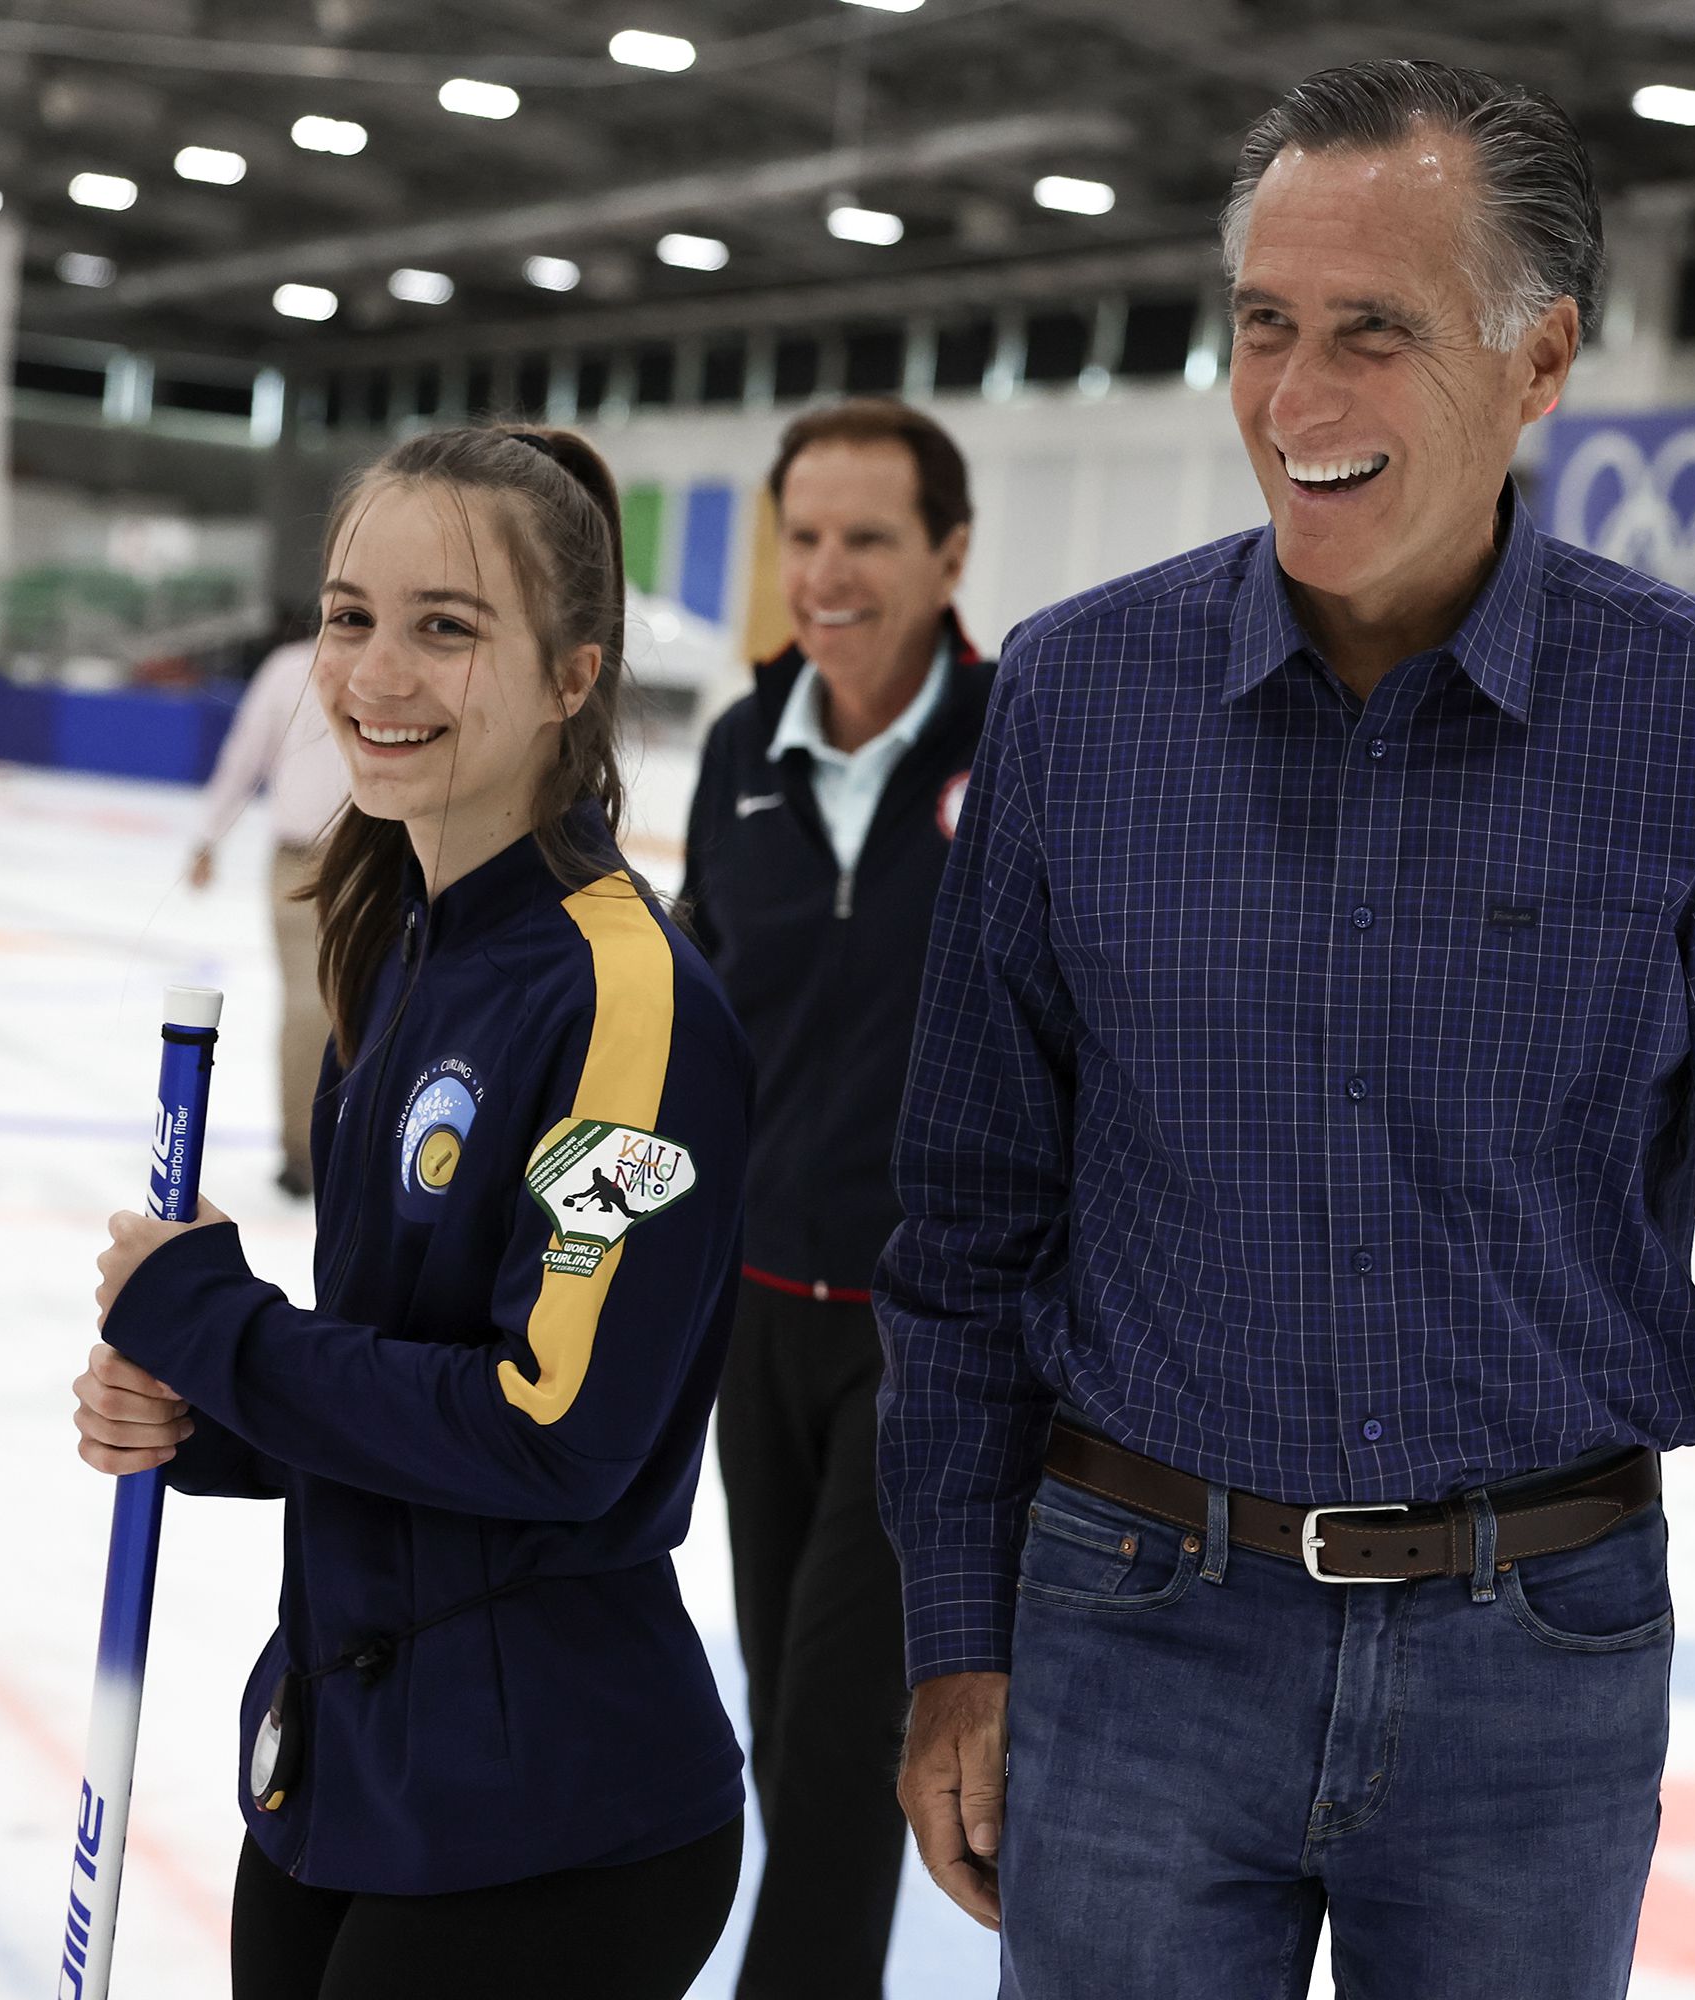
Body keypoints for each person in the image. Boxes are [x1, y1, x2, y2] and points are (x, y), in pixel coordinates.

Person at [877, 61, 1695, 2000]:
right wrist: (958, 1629)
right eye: (1265, 328)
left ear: (1538, 360)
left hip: (1532, 1679)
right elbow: (966, 1228)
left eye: (1372, 337)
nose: (1295, 406)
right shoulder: (1076, 702)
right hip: (1132, 1632)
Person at [70, 424, 754, 2000]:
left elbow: (547, 1425)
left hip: (548, 1817)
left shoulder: (628, 1002)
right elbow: (393, 1367)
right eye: (349, 614)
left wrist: (222, 1329)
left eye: (448, 627)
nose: (377, 670)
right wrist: (204, 1410)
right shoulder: (396, 954)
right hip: (346, 1764)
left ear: (573, 677)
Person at [682, 397, 986, 2000]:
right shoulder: (742, 749)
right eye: (803, 538)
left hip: (927, 1339)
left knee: (842, 1717)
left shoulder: (1020, 749)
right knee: (787, 1730)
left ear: (949, 554)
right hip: (751, 1317)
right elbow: (695, 1014)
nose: (828, 573)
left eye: (867, 537)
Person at [192, 611, 354, 1195]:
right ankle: (315, 1152)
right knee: (324, 1008)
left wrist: (210, 837)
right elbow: (246, 756)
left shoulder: (289, 669)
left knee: (320, 1008)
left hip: (359, 861)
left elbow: (244, 756)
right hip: (335, 861)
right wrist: (209, 836)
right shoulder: (298, 671)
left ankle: (310, 1153)